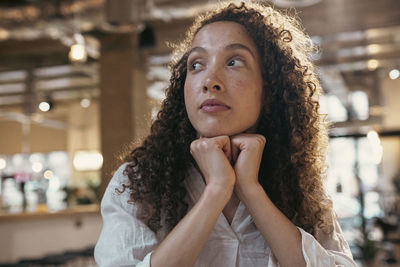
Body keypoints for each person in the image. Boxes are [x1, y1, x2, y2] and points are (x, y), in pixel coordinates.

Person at [94, 2, 357, 266]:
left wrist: (250, 190)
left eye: (233, 62)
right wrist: (216, 191)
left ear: (269, 89)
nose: (210, 80)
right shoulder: (138, 182)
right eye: (196, 65)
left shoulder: (298, 182)